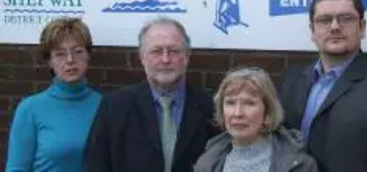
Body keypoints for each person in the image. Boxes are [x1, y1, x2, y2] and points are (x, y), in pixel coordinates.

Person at [279, 0, 367, 172]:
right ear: (312, 30)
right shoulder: (292, 80)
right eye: (325, 20)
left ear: (362, 27)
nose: (335, 27)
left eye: (346, 19)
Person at [84, 17, 219, 172]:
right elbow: (95, 166)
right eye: (156, 51)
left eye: (174, 51)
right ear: (142, 58)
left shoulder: (210, 108)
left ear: (186, 57)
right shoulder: (114, 107)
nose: (165, 59)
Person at [6, 17, 101, 172]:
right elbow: (17, 168)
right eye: (60, 54)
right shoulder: (30, 109)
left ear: (88, 55)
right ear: (49, 61)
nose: (70, 60)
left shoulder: (106, 106)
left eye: (77, 52)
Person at [194, 67, 318, 172]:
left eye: (249, 103)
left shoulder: (299, 166)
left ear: (268, 113)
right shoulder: (207, 162)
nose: (238, 113)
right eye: (230, 103)